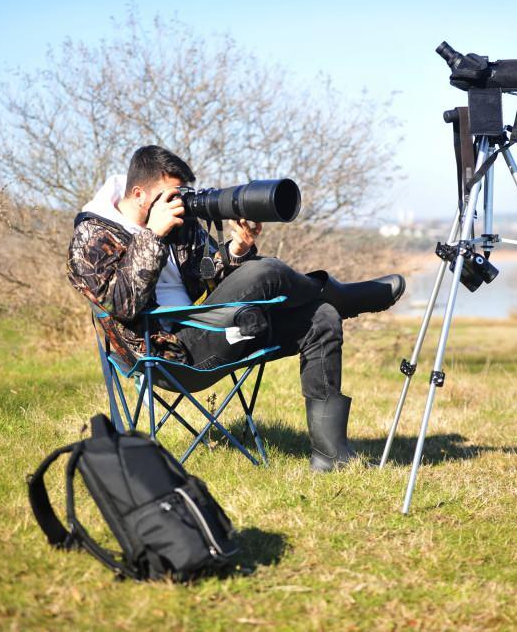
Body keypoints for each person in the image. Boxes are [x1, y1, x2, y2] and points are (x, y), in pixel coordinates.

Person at [68, 145, 405, 471]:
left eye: (182, 194)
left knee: (322, 318)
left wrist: (238, 250)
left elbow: (206, 278)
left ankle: (331, 456)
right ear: (139, 193)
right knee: (266, 270)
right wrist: (153, 235)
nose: (179, 203)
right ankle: (337, 295)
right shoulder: (92, 237)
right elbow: (123, 305)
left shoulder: (178, 220)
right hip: (166, 356)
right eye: (170, 195)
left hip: (209, 331)